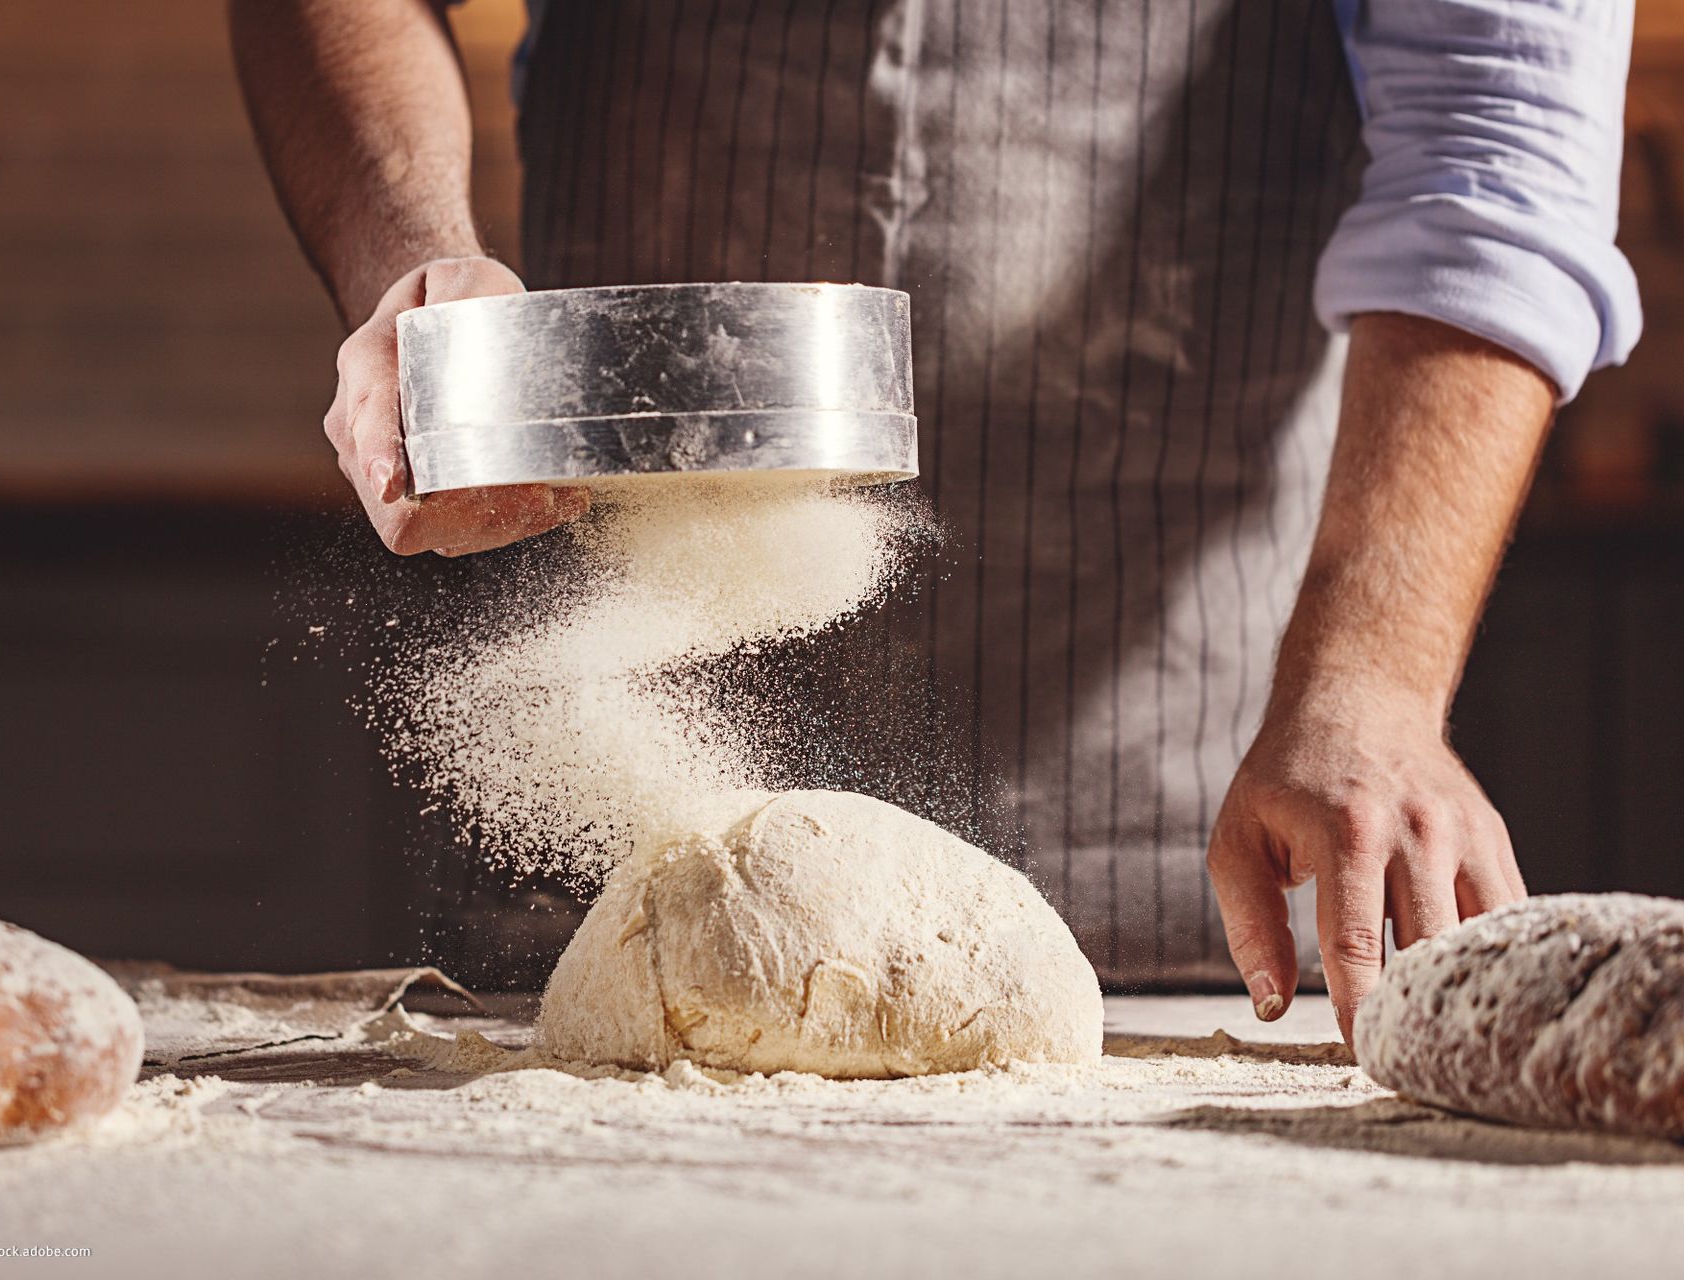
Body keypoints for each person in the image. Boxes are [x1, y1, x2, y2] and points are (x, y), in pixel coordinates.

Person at [229, 0, 1639, 1041]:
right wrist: (417, 256)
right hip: (618, 760)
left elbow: (1497, 146)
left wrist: (1373, 679)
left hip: (1182, 807)